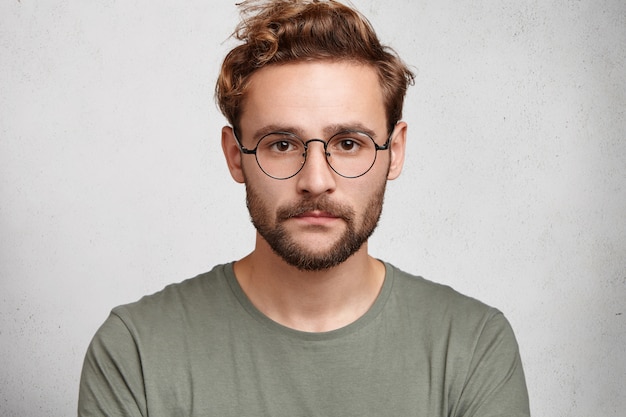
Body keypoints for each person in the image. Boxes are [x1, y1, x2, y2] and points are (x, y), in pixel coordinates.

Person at [78, 0, 530, 416]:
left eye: (348, 143)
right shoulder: (135, 350)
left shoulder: (473, 346)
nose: (316, 181)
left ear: (395, 152)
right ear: (236, 156)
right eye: (282, 144)